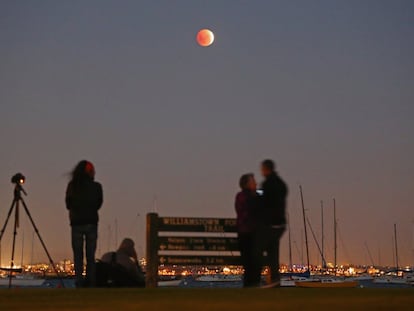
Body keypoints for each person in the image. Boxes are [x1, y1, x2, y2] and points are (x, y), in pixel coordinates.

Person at [65, 160, 103, 288]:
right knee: (90, 256)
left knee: (78, 255)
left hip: (76, 223)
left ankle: (79, 282)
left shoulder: (72, 186)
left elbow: (68, 204)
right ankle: (91, 282)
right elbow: (99, 203)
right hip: (91, 222)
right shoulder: (97, 187)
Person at [260, 159, 288, 288]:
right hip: (280, 223)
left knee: (266, 250)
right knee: (273, 250)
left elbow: (264, 203)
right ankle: (274, 279)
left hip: (270, 223)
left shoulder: (267, 184)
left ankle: (270, 278)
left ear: (266, 169)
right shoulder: (281, 184)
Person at [235, 173, 262, 287]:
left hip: (246, 233)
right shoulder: (247, 197)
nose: (256, 183)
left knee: (250, 261)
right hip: (249, 233)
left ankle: (251, 284)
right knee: (252, 261)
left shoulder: (243, 196)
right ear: (247, 184)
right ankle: (253, 284)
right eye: (253, 181)